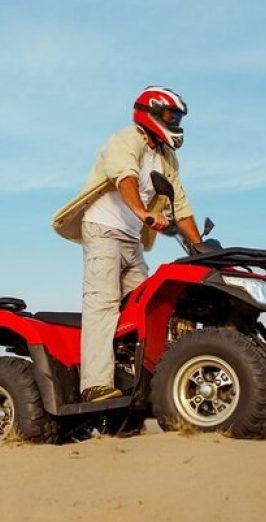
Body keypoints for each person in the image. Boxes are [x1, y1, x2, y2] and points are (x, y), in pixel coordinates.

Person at [52, 86, 202, 402]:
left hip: (131, 240)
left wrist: (202, 249)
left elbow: (182, 206)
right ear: (151, 114)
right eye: (170, 115)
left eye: (178, 117)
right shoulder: (125, 139)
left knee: (145, 309)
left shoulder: (167, 158)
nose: (175, 122)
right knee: (103, 302)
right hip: (104, 230)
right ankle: (94, 384)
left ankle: (142, 381)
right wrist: (144, 213)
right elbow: (125, 178)